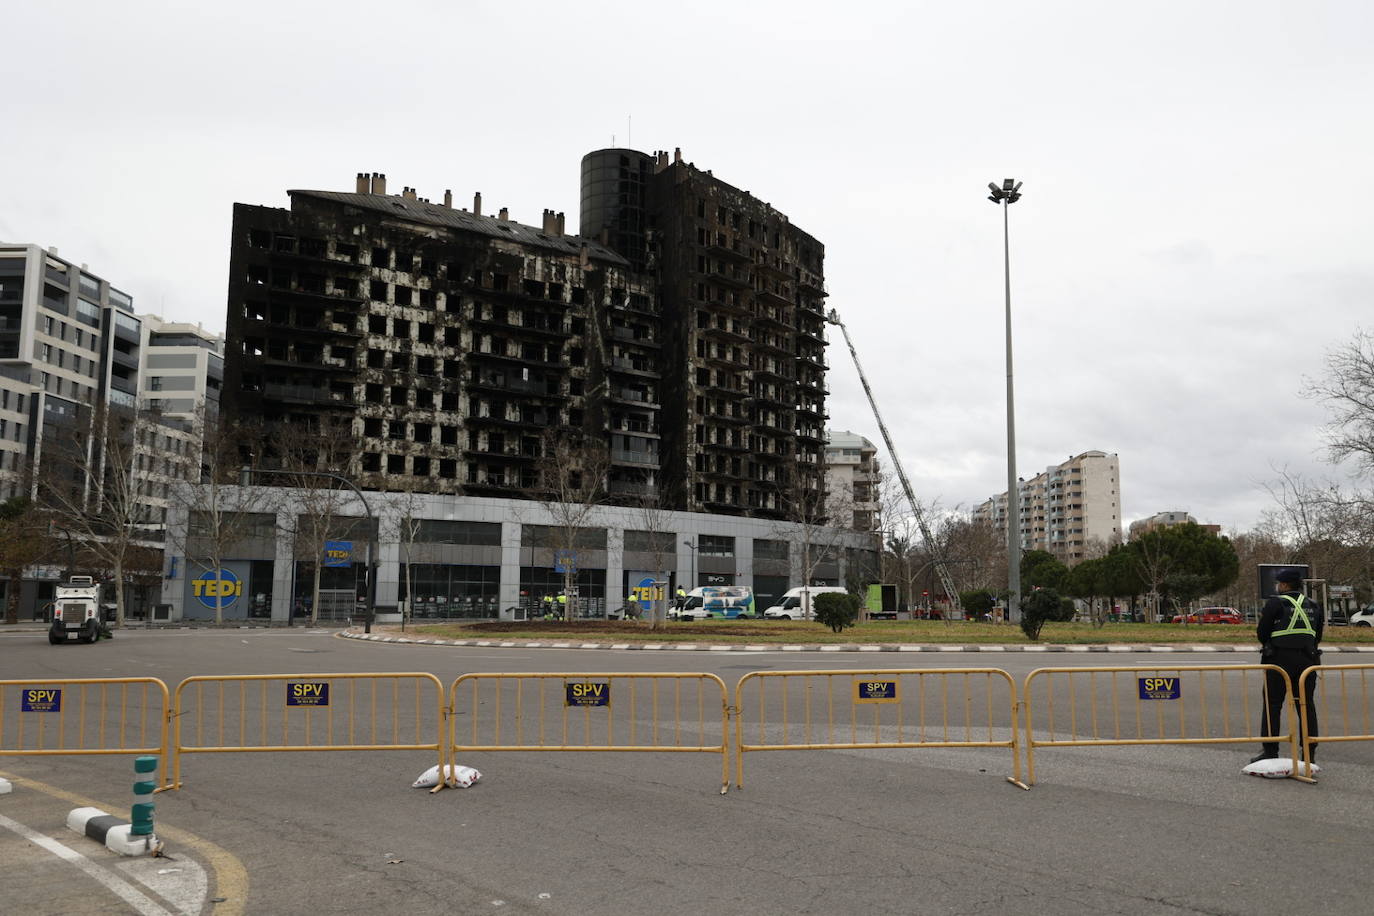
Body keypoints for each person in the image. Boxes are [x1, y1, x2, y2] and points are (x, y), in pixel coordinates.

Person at [1253, 567, 1322, 763]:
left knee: (1273, 705)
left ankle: (1270, 752)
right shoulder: (1314, 605)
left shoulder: (1276, 603)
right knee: (1306, 705)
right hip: (1307, 661)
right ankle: (1309, 754)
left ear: (1284, 585)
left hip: (1278, 661)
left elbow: (1262, 633)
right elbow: (1317, 636)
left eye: (1279, 583)